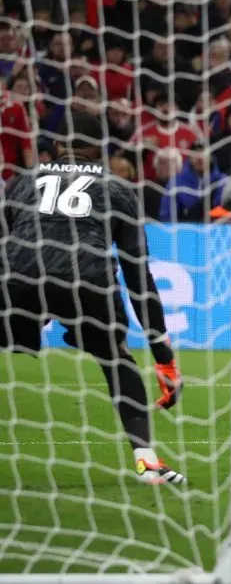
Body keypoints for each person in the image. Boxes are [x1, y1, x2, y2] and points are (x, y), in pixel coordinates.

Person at [0, 112, 184, 485]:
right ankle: (147, 463)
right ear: (100, 151)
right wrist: (163, 356)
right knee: (116, 357)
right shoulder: (118, 189)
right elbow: (138, 277)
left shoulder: (21, 182)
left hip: (19, 273)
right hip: (86, 279)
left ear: (54, 147)